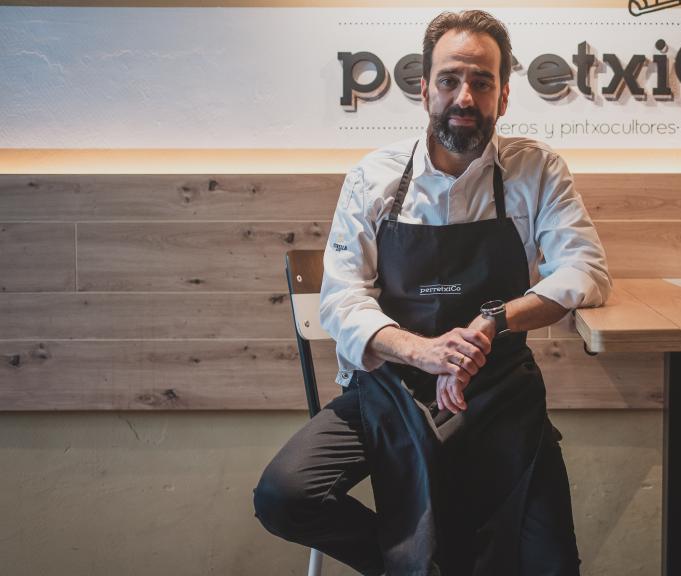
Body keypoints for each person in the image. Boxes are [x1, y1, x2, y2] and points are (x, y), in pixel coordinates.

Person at [253, 10, 611, 576]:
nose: (464, 96)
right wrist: (422, 351)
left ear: (505, 95)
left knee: (552, 566)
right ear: (424, 91)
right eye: (449, 80)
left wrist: (490, 322)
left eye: (482, 82)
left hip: (499, 394)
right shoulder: (374, 177)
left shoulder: (535, 170)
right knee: (285, 495)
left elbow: (584, 271)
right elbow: (342, 299)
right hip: (390, 388)